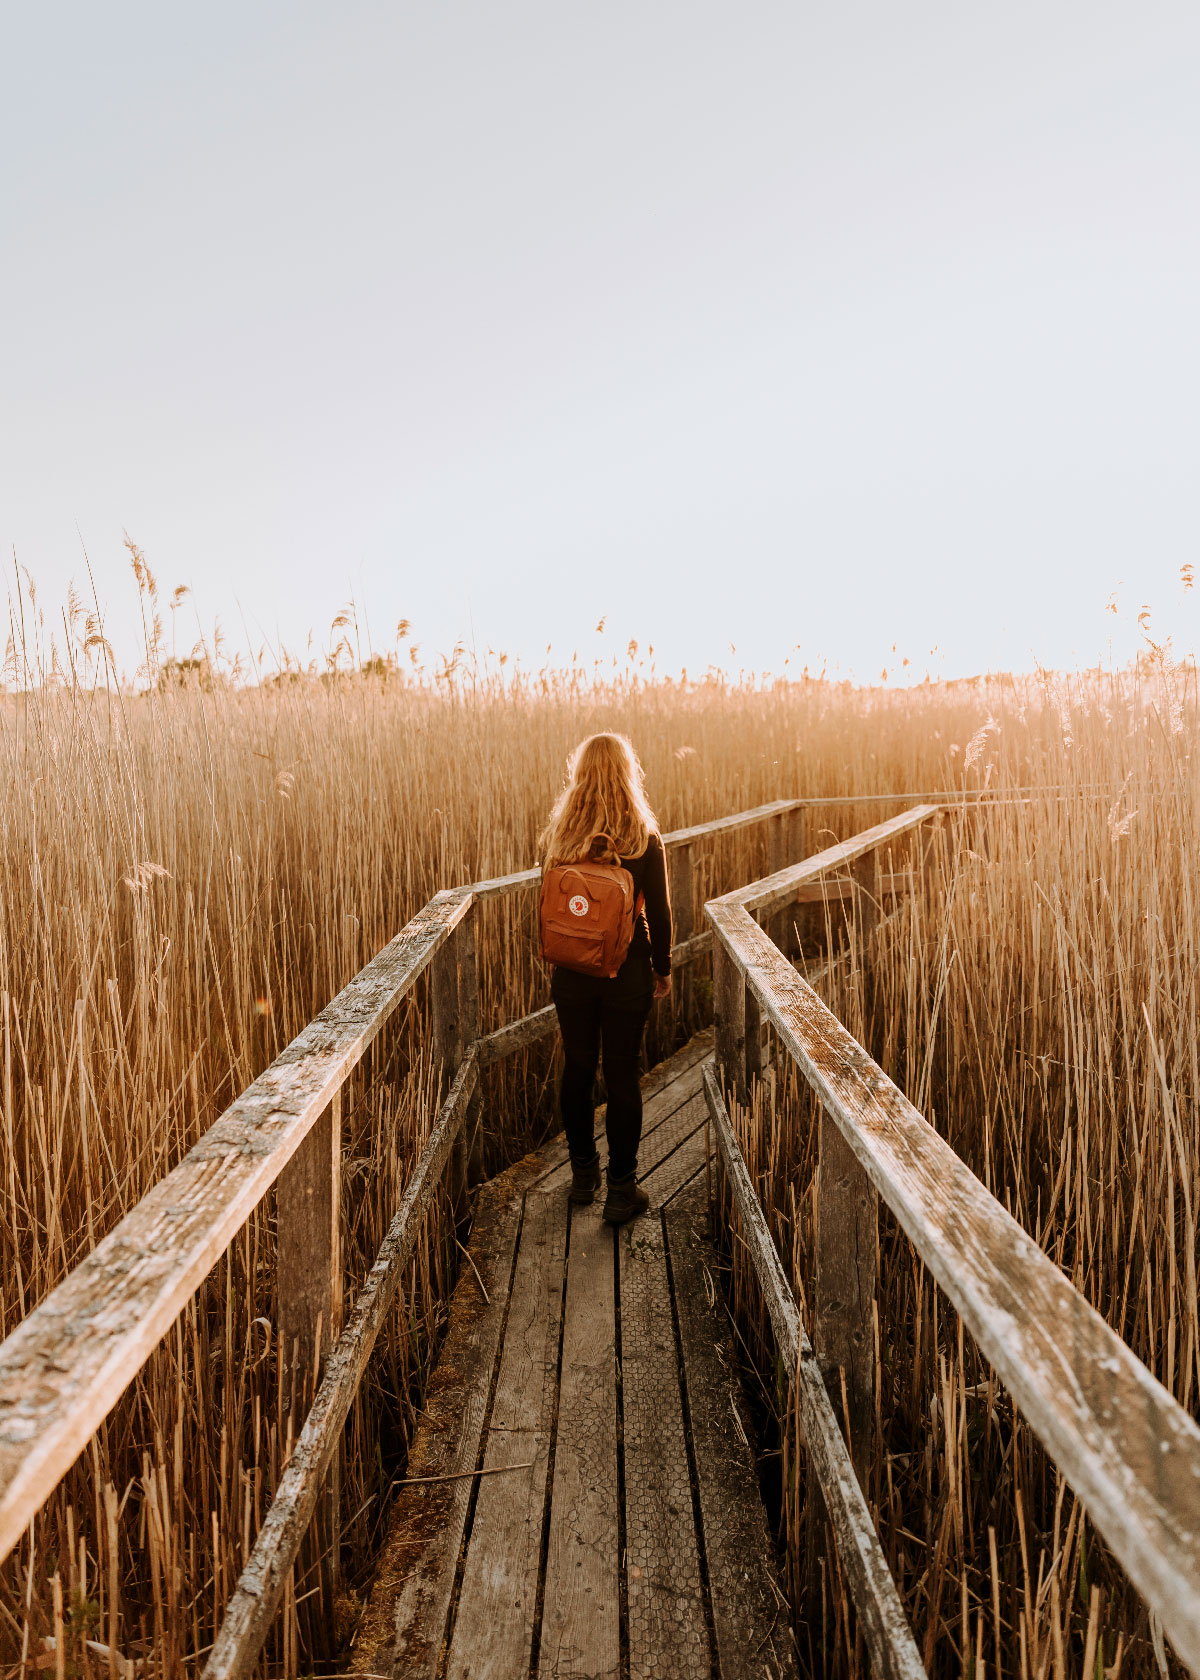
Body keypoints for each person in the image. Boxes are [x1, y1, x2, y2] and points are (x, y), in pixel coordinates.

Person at [539, 733, 672, 1225]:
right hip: (626, 974)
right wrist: (662, 969)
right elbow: (658, 912)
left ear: (580, 775)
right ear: (627, 773)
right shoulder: (642, 836)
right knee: (620, 1075)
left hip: (572, 973)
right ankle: (620, 1191)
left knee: (577, 1067)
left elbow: (553, 905)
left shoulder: (563, 836)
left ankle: (581, 1176)